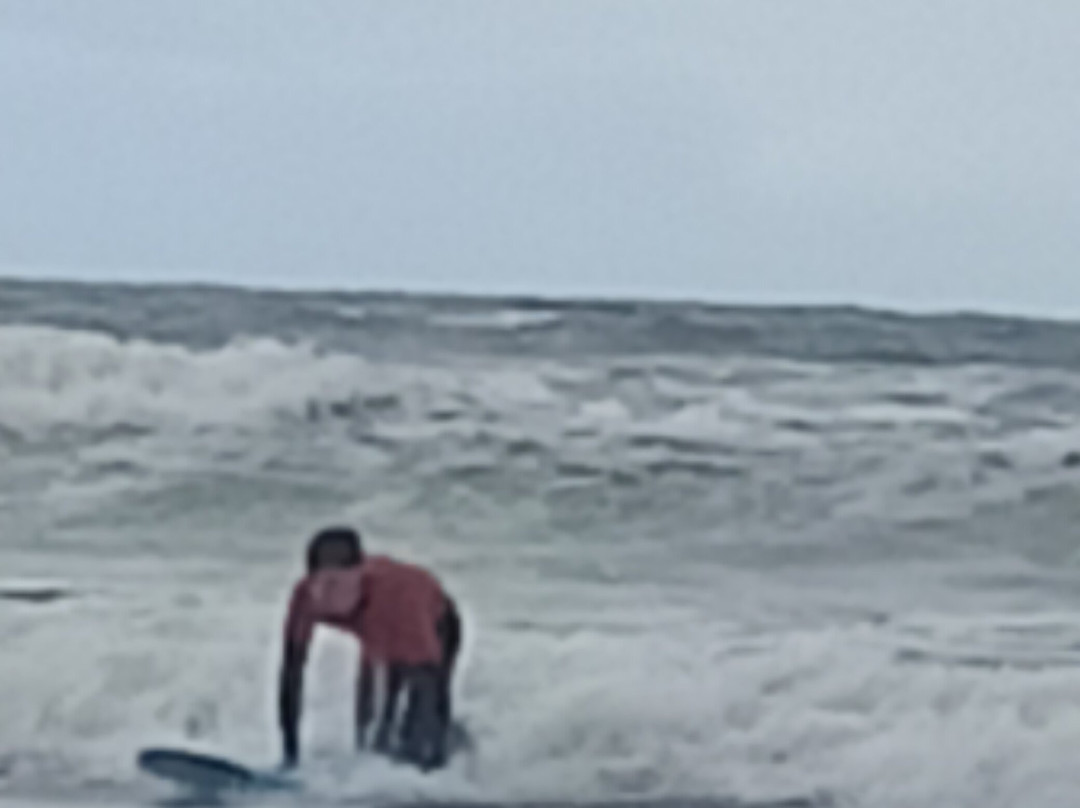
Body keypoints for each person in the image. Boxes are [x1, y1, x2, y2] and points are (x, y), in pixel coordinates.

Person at [278, 526, 462, 771]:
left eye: (336, 585)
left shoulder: (399, 598)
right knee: (370, 725)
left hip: (434, 622)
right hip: (373, 628)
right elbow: (291, 676)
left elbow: (427, 683)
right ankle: (376, 763)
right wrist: (291, 756)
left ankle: (444, 757)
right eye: (320, 585)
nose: (326, 596)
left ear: (360, 576)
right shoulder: (305, 598)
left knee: (418, 716)